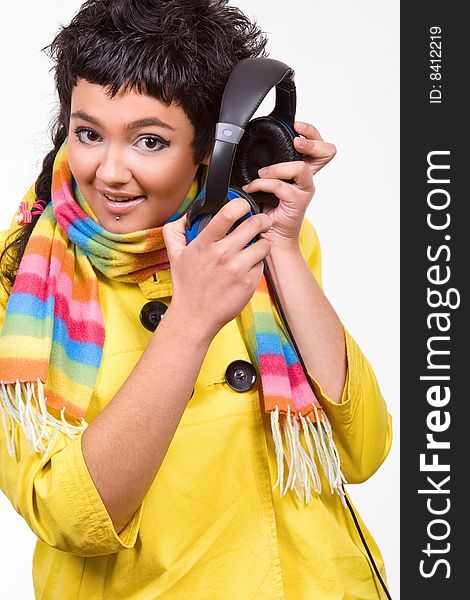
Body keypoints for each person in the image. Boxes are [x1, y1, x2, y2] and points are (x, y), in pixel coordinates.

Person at [0, 0, 392, 598]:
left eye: (149, 141)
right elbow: (67, 517)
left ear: (215, 150)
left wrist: (280, 243)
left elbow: (363, 449)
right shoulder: (21, 281)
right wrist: (190, 320)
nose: (109, 170)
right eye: (88, 133)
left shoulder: (258, 248)